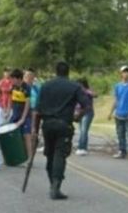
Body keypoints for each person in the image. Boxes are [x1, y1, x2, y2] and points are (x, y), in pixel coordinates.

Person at [33, 61, 89, 200]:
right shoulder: (74, 86)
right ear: (68, 72)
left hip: (47, 124)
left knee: (50, 154)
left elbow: (37, 110)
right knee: (60, 154)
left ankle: (52, 183)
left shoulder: (45, 86)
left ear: (55, 71)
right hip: (64, 124)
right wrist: (77, 116)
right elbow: (86, 104)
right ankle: (56, 186)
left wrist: (35, 129)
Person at [10, 69, 32, 160]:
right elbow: (12, 100)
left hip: (25, 115)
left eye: (13, 78)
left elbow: (27, 103)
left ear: (18, 79)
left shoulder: (26, 87)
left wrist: (23, 118)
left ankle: (29, 158)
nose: (12, 80)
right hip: (15, 114)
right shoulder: (13, 87)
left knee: (26, 136)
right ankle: (14, 156)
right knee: (12, 135)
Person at [75, 78, 97, 156]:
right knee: (82, 131)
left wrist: (85, 91)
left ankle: (82, 148)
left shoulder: (88, 91)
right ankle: (82, 147)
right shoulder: (77, 92)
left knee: (84, 130)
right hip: (80, 113)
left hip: (88, 113)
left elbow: (95, 95)